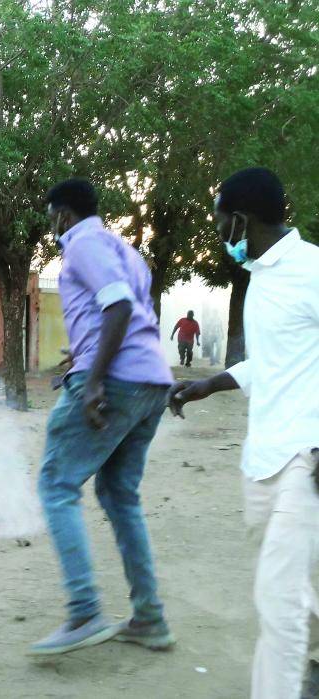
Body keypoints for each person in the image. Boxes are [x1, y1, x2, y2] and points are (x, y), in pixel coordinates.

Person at [168, 168, 319, 699]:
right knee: (300, 581)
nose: (218, 235)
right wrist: (208, 384)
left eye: (217, 224)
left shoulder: (312, 270)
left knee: (277, 599)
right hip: (265, 458)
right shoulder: (261, 276)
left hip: (308, 456)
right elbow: (274, 362)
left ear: (238, 219)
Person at [30, 179, 175, 656]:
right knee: (118, 494)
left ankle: (85, 609)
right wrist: (85, 352)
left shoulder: (84, 243)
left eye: (52, 218)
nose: (52, 227)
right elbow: (122, 316)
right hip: (151, 381)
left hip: (115, 381)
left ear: (62, 215)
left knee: (56, 484)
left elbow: (116, 306)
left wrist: (92, 378)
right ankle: (149, 618)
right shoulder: (127, 251)